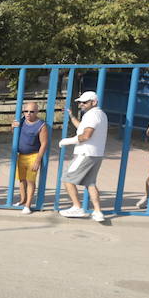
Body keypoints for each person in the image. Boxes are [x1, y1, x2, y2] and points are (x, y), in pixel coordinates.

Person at [58, 90, 108, 223]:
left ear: (94, 102)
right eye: (80, 102)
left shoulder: (92, 115)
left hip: (85, 153)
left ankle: (77, 207)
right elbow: (82, 128)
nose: (81, 104)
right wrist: (71, 116)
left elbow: (86, 135)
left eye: (85, 102)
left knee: (67, 178)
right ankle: (98, 212)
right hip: (96, 154)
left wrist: (67, 141)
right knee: (90, 183)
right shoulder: (100, 114)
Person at [11, 102, 48, 214]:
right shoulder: (21, 121)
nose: (28, 113)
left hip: (33, 155)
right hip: (21, 155)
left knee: (30, 180)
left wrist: (38, 160)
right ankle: (23, 200)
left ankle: (28, 205)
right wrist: (13, 127)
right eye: (26, 111)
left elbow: (44, 143)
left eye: (31, 111)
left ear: (37, 112)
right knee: (22, 179)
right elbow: (14, 134)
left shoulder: (41, 125)